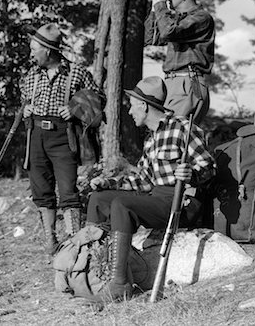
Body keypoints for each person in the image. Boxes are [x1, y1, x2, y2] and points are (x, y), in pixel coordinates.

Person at [84, 76, 215, 302]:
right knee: (99, 199)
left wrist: (192, 174)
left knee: (122, 205)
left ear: (144, 105)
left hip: (181, 203)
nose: (130, 111)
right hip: (156, 198)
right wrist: (109, 184)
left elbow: (209, 168)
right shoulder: (151, 139)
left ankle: (119, 285)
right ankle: (94, 272)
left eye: (132, 105)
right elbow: (143, 181)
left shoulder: (183, 128)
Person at [21, 23, 101, 256]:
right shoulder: (32, 74)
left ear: (48, 50)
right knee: (41, 190)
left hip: (63, 136)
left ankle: (74, 243)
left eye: (34, 49)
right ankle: (50, 241)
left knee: (67, 190)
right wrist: (26, 109)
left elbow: (98, 99)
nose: (31, 54)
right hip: (36, 135)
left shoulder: (77, 72)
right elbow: (24, 98)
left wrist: (75, 109)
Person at [144, 0, 215, 124]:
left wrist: (162, 5)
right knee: (172, 139)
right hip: (175, 84)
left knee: (172, 133)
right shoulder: (174, 19)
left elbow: (169, 33)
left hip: (187, 83)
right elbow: (151, 39)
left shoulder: (201, 18)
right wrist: (155, 7)